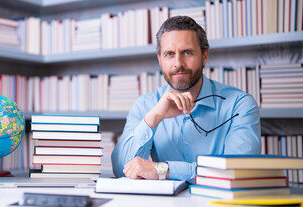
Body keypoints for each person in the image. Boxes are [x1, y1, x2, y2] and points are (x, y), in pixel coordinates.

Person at [111, 15, 261, 182]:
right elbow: (121, 170)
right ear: (160, 59)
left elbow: (239, 171)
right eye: (169, 54)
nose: (178, 63)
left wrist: (164, 170)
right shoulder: (145, 106)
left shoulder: (239, 105)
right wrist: (153, 119)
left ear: (204, 56)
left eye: (187, 52)